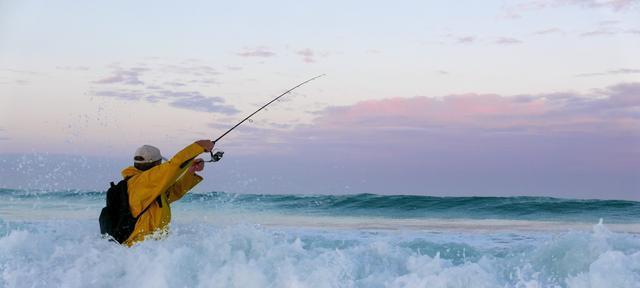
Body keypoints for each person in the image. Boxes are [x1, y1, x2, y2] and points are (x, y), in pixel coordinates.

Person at [119, 139, 214, 246]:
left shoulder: (147, 187)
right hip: (139, 248)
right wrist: (198, 146)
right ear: (155, 164)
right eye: (160, 164)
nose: (161, 167)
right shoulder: (143, 182)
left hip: (148, 249)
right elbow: (173, 166)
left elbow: (173, 192)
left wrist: (190, 172)